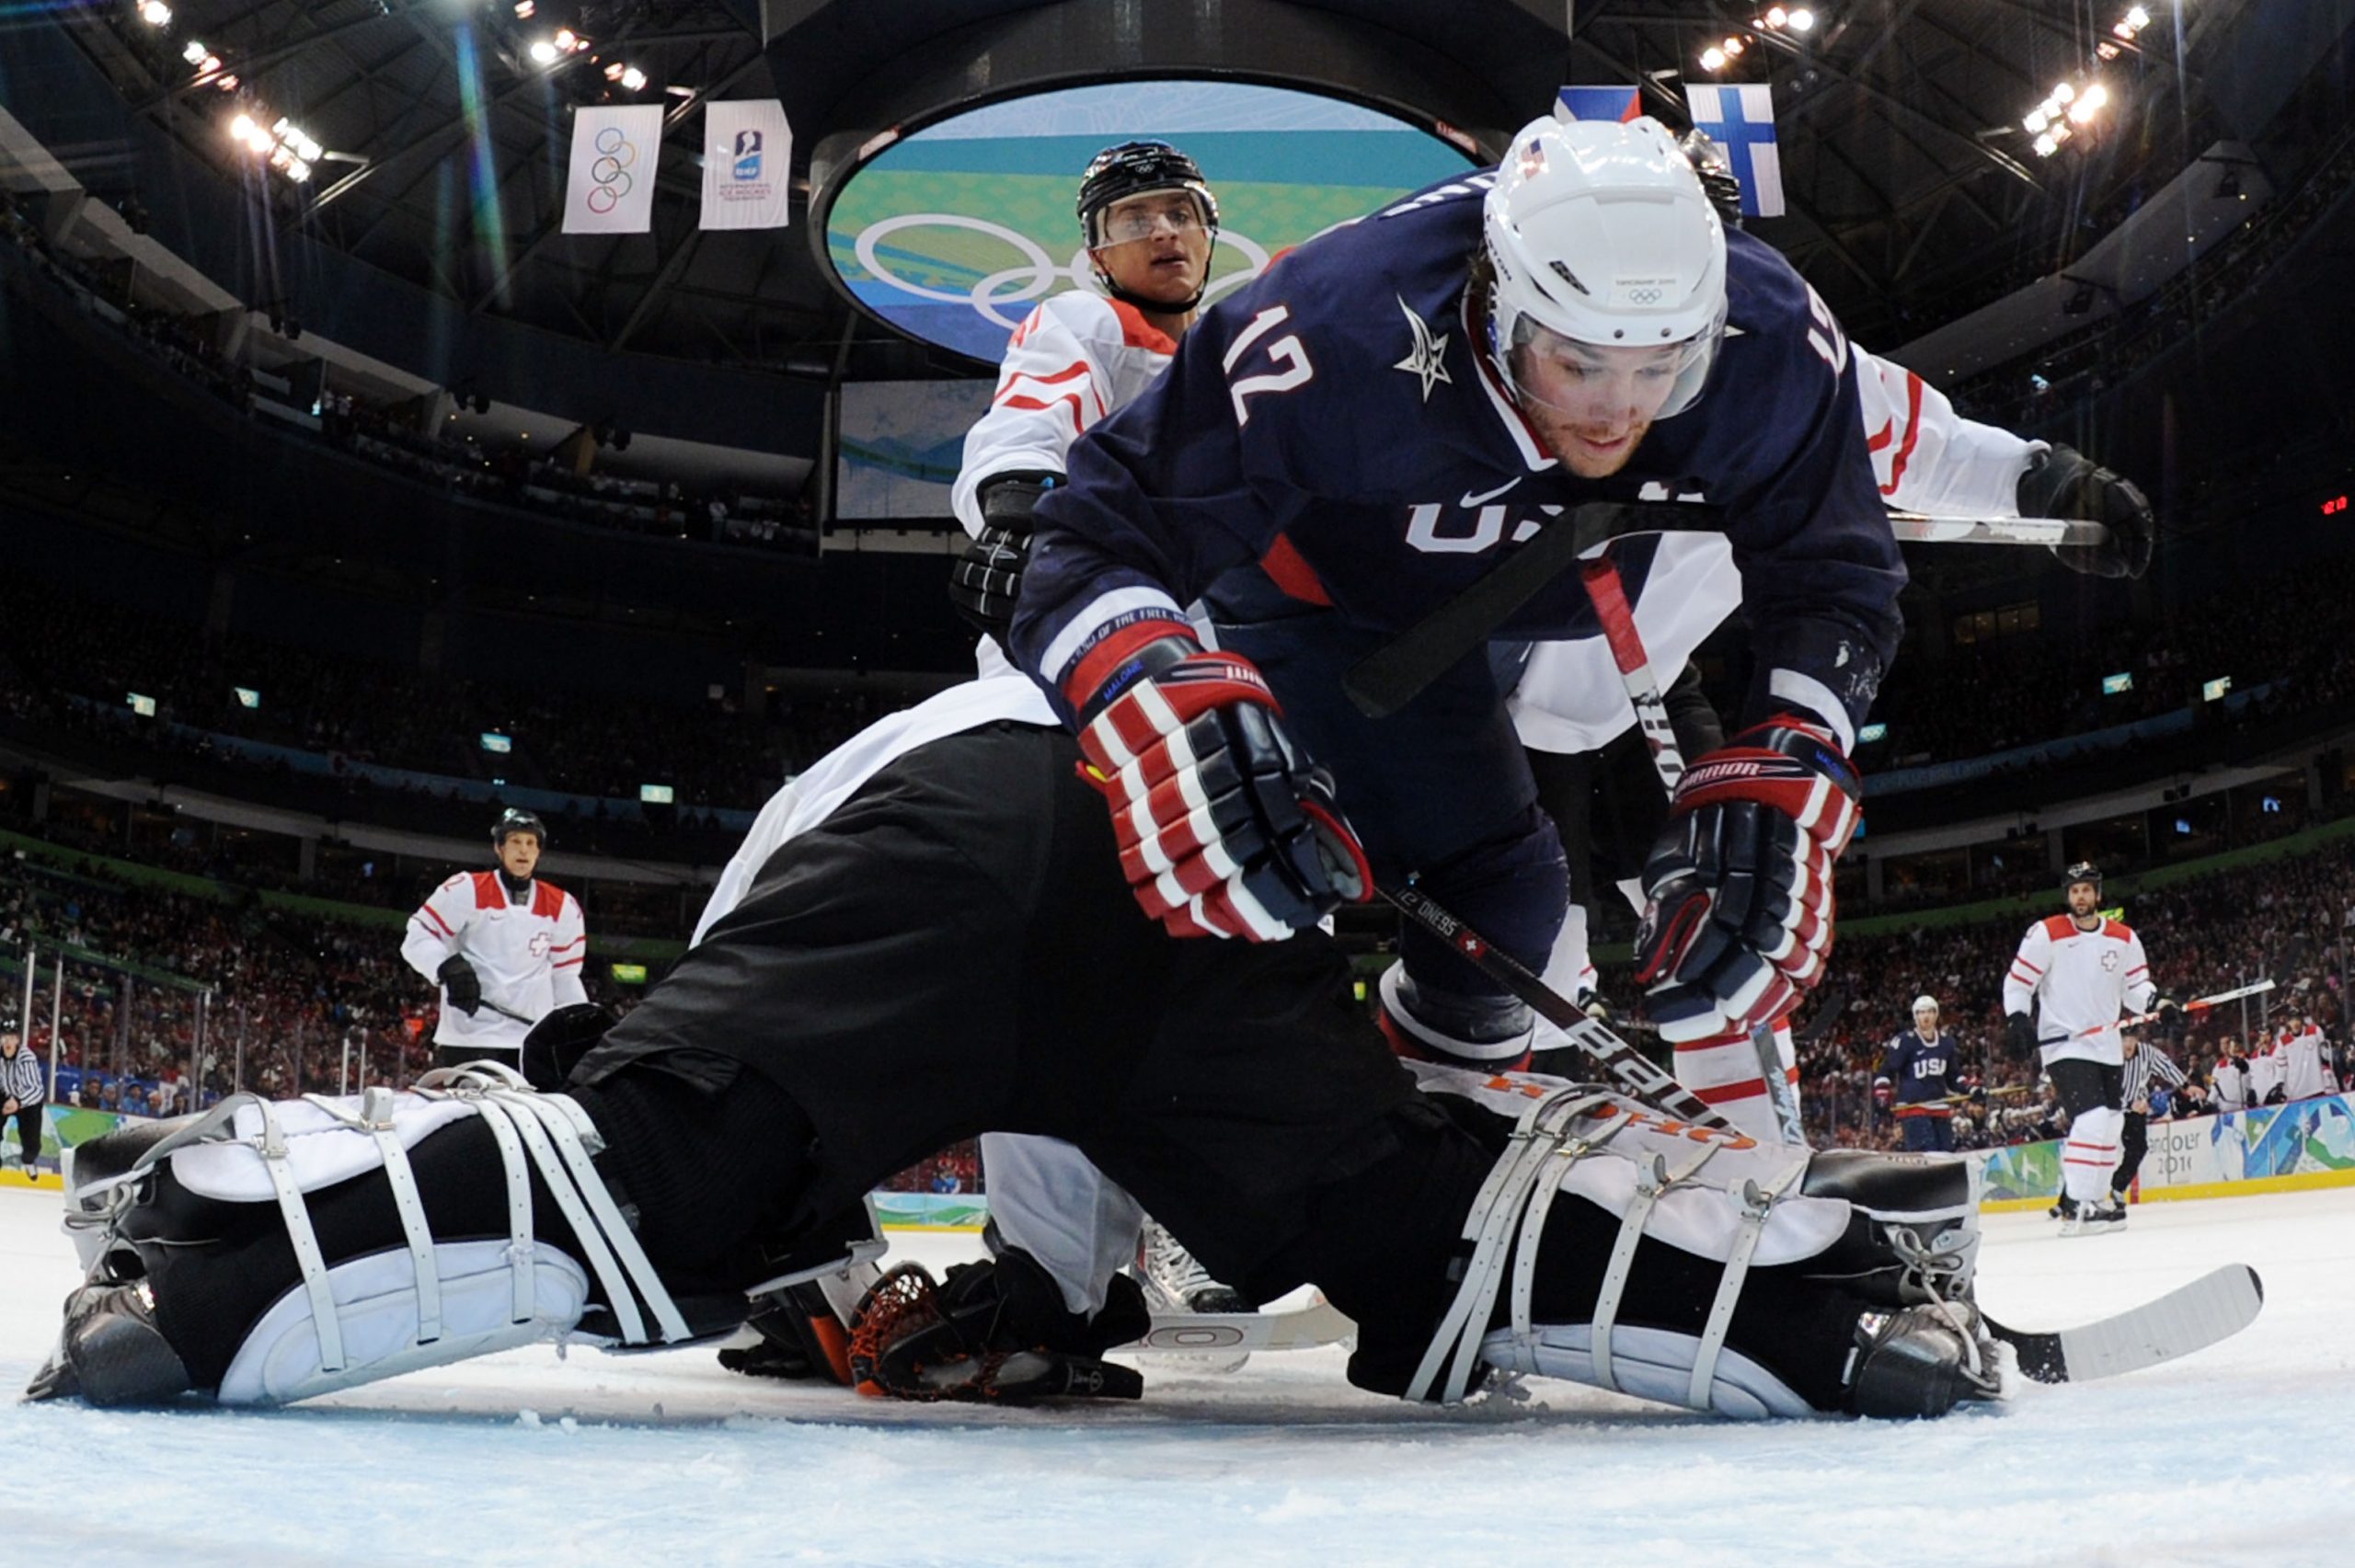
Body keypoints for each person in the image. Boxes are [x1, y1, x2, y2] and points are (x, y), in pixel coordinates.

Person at [33, 680, 1995, 1424]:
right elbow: (1074, 1110)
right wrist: (1067, 1290)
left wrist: (810, 1274)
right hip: (1201, 884)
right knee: (1421, 1226)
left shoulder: (848, 783)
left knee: (661, 1169)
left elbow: (720, 1110)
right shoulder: (1290, 677)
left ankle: (218, 1259)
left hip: (983, 830)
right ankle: (1827, 1312)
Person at [1007, 114, 2151, 1117]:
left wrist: (1801, 740)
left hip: (1589, 637)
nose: (1616, 413)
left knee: (1690, 884)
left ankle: (1462, 1127)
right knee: (1336, 884)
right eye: (1579, 364)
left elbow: (1854, 540)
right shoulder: (1324, 328)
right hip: (1350, 614)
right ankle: (1260, 1134)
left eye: (1664, 366)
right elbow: (1096, 533)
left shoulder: (1768, 334)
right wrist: (1147, 682)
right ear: (1495, 296)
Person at [2002, 862, 2175, 1235]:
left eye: (2087, 889)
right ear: (2068, 895)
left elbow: (2136, 988)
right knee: (2093, 1117)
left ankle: (2096, 1200)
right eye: (2074, 890)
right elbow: (2018, 983)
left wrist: (2158, 1004)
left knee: (2112, 1123)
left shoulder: (2124, 938)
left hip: (2107, 1046)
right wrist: (2017, 1018)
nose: (2081, 896)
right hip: (2065, 1044)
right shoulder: (2046, 933)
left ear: (2098, 893)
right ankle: (2075, 1205)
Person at [399, 809, 588, 1071]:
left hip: (532, 1041)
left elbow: (565, 977)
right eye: (515, 841)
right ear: (499, 848)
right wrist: (446, 967)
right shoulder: (467, 889)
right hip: (470, 1037)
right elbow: (417, 936)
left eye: (530, 843)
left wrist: (583, 1027)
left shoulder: (563, 906)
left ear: (538, 851)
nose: (523, 850)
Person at [2110, 1031, 2188, 1207]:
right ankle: (2069, 1199)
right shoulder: (2110, 1055)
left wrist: (2186, 1085)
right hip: (2112, 1110)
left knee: (2138, 1148)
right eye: (2124, 1040)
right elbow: (2108, 1089)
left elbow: (2166, 1067)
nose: (2128, 1044)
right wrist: (2129, 1103)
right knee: (2097, 1150)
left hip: (2135, 1111)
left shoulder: (2147, 1053)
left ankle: (2117, 1187)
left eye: (2132, 1039)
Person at [1879, 995, 1959, 1152]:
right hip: (1913, 1108)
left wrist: (1973, 1089)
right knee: (1927, 1153)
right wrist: (1882, 1091)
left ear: (1936, 1014)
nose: (1926, 1016)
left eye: (1930, 1011)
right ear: (1915, 1016)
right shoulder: (1905, 1041)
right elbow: (1888, 1068)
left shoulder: (1946, 1042)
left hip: (1939, 1106)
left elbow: (1954, 1077)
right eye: (1921, 1012)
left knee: (1947, 1153)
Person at [1, 1022, 42, 1178]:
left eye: (11, 1038)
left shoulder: (27, 1057)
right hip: (6, 1095)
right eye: (4, 1037)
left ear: (17, 1040)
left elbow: (36, 1089)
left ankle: (29, 1161)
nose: (7, 1042)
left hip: (28, 1101)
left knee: (32, 1144)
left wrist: (18, 1102)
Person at [2281, 1016, 2326, 1102]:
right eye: (2292, 1020)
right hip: (2296, 1092)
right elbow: (2281, 1068)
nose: (2295, 1023)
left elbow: (2325, 1056)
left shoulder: (2315, 1030)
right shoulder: (2283, 1041)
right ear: (2288, 1023)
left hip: (2317, 1087)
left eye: (2297, 1019)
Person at [2211, 1036, 2250, 1114]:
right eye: (2222, 1044)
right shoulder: (2218, 1067)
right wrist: (2209, 1103)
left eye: (2227, 1043)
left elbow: (2247, 1073)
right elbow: (2214, 1089)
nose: (2225, 1046)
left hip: (2243, 1108)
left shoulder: (2243, 1061)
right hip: (2225, 1111)